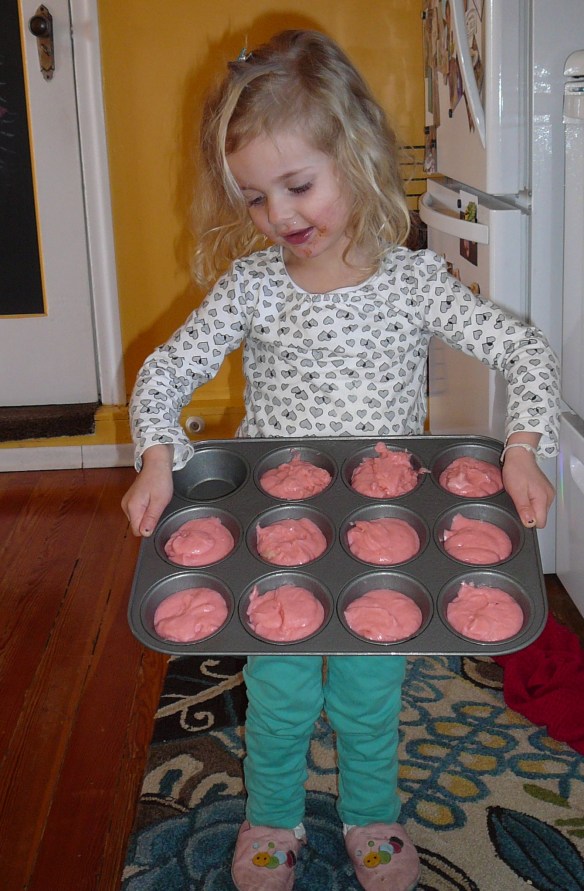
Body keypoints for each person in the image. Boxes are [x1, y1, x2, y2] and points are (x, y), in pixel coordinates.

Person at [121, 29, 560, 891]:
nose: (280, 215)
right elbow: (164, 371)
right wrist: (154, 455)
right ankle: (273, 817)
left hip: (382, 538)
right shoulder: (252, 287)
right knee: (280, 698)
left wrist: (521, 450)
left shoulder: (413, 283)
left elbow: (526, 351)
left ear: (355, 157)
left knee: (368, 699)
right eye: (255, 197)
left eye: (298, 184)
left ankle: (369, 814)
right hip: (276, 537)